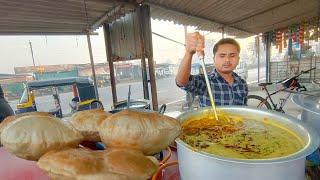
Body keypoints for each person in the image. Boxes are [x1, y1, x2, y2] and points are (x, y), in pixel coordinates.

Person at [176, 32, 248, 107]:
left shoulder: (242, 84)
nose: (227, 60)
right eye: (222, 56)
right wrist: (189, 53)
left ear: (238, 59)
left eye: (232, 55)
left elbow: (243, 111)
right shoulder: (205, 81)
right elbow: (182, 82)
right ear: (214, 59)